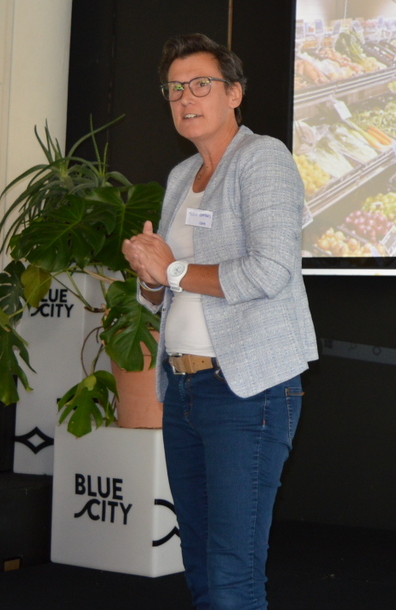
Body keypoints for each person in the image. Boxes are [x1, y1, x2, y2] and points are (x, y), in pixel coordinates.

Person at [121, 33, 318, 610]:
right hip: (183, 389)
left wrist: (171, 269)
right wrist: (150, 277)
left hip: (246, 388)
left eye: (200, 84)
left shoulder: (263, 158)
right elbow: (164, 292)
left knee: (233, 574)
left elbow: (271, 270)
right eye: (174, 88)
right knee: (202, 567)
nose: (185, 98)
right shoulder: (182, 175)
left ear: (235, 93)